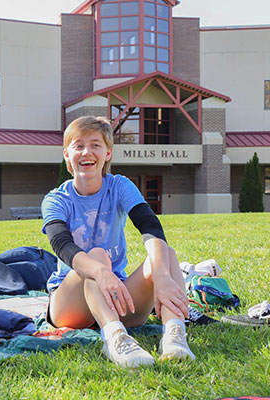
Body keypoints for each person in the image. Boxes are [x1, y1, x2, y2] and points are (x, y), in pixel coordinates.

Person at [42, 116, 194, 368]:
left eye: (95, 145)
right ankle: (115, 338)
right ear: (67, 155)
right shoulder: (56, 199)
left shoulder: (120, 186)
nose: (87, 152)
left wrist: (162, 277)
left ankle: (174, 335)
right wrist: (101, 271)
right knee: (97, 256)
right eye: (78, 146)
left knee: (165, 253)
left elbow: (149, 226)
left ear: (108, 153)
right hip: (69, 307)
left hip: (118, 297)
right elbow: (61, 245)